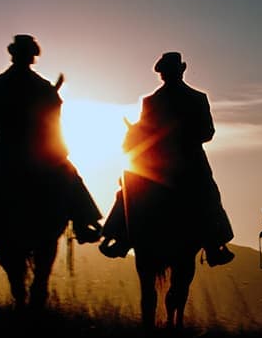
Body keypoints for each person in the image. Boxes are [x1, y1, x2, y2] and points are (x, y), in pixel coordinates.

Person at [0, 34, 103, 310]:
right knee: (70, 177)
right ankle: (86, 222)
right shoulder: (43, 87)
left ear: (14, 54)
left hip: (7, 150)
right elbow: (53, 121)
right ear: (31, 56)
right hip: (40, 149)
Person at [100, 51, 234, 265]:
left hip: (167, 163)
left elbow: (207, 131)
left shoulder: (157, 100)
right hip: (185, 163)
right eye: (165, 72)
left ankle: (119, 237)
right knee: (207, 195)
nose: (166, 75)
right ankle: (215, 245)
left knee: (130, 191)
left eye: (167, 71)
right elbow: (207, 133)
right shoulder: (177, 99)